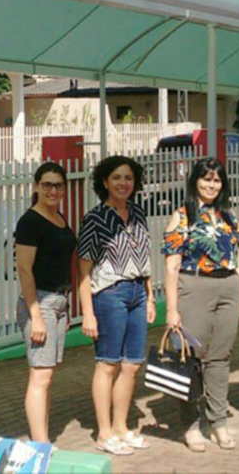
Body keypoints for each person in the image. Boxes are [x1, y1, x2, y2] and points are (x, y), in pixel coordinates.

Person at [163, 158, 239, 452]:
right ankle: (190, 424)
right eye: (206, 179)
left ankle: (218, 422)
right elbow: (171, 266)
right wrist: (172, 309)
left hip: (229, 288)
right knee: (191, 359)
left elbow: (238, 257)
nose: (211, 185)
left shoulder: (227, 214)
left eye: (216, 180)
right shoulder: (182, 216)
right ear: (195, 181)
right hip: (195, 287)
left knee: (220, 357)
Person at [78, 155, 155, 457]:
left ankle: (122, 427)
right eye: (116, 178)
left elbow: (145, 260)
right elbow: (84, 270)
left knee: (132, 364)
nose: (123, 183)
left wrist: (149, 296)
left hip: (137, 291)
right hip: (109, 294)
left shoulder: (137, 212)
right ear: (105, 182)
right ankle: (104, 432)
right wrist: (88, 313)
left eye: (128, 178)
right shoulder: (95, 219)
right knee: (107, 363)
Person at [15, 162, 76, 444]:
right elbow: (25, 271)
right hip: (40, 302)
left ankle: (43, 438)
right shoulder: (30, 222)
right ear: (37, 186)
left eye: (58, 185)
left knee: (47, 376)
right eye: (47, 185)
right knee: (40, 377)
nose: (53, 190)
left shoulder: (58, 217)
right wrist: (35, 316)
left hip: (59, 302)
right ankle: (40, 445)